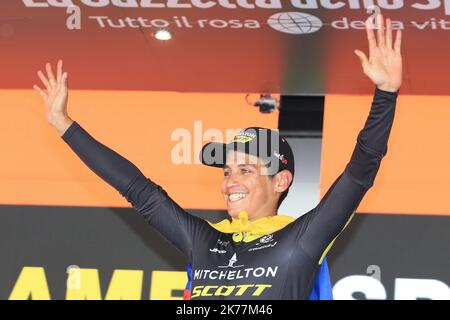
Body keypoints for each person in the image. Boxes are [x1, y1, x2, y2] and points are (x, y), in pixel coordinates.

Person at [33, 14, 402, 300]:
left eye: (245, 168)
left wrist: (385, 94)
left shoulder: (301, 239)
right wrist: (66, 126)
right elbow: (137, 189)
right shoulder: (204, 240)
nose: (230, 181)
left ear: (281, 181)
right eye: (227, 171)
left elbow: (359, 172)